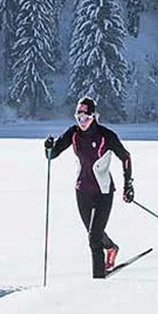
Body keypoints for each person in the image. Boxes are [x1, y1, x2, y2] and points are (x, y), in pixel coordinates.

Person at [44, 97, 135, 279]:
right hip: (82, 191)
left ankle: (98, 280)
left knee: (94, 239)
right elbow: (52, 154)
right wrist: (48, 147)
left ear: (93, 116)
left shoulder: (106, 136)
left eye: (85, 117)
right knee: (94, 233)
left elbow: (125, 157)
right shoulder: (74, 133)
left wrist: (128, 185)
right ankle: (110, 247)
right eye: (78, 116)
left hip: (103, 192)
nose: (81, 121)